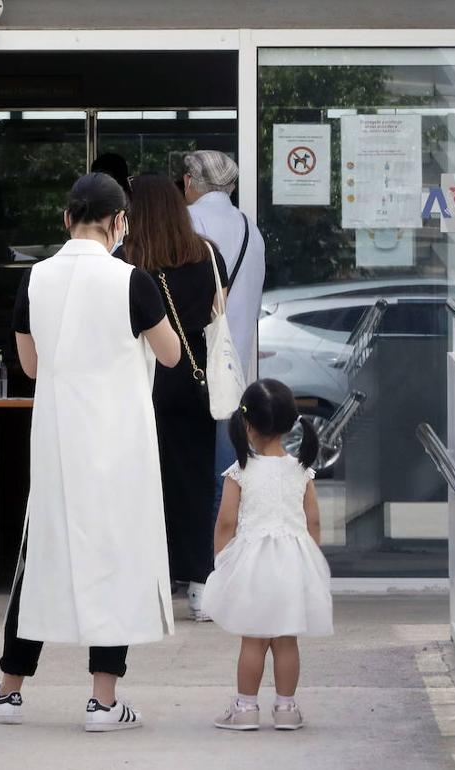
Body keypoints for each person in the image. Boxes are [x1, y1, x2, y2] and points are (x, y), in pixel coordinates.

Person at [0, 173, 182, 731]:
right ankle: (104, 701)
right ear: (119, 223)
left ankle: (10, 692)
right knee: (112, 557)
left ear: (66, 219)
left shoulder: (35, 279)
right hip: (119, 444)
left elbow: (33, 366)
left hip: (59, 441)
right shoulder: (133, 280)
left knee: (39, 558)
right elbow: (170, 355)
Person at [125, 173, 229, 623]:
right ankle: (200, 583)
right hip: (194, 376)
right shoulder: (207, 253)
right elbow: (216, 310)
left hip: (139, 377)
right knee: (192, 482)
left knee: (137, 483)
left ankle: (147, 580)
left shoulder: (128, 260)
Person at [203, 379, 333, 731]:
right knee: (286, 639)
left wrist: (222, 560)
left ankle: (246, 708)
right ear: (291, 423)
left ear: (246, 424)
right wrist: (310, 557)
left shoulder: (240, 471)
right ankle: (286, 708)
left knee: (254, 639)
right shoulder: (301, 470)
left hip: (253, 566)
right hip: (292, 563)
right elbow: (314, 519)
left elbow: (226, 521)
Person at [182, 150, 268, 524]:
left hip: (190, 365)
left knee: (189, 472)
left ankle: (199, 567)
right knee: (227, 473)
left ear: (189, 182)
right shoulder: (251, 230)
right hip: (232, 368)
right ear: (231, 186)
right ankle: (222, 562)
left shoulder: (185, 223)